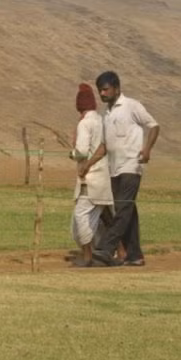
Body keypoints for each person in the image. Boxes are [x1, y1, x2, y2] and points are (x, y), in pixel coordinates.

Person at [92, 71, 160, 267]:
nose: (102, 94)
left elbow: (154, 126)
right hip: (114, 169)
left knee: (123, 208)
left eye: (105, 89)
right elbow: (104, 146)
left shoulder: (131, 106)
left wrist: (147, 149)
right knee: (127, 210)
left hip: (131, 165)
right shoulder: (106, 115)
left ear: (117, 88)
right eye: (100, 91)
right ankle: (135, 255)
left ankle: (106, 248)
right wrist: (87, 164)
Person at [69, 82, 111, 267]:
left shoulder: (85, 124)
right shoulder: (102, 121)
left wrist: (72, 153)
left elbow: (82, 151)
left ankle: (87, 256)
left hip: (89, 178)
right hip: (105, 177)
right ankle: (121, 251)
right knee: (107, 216)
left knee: (80, 217)